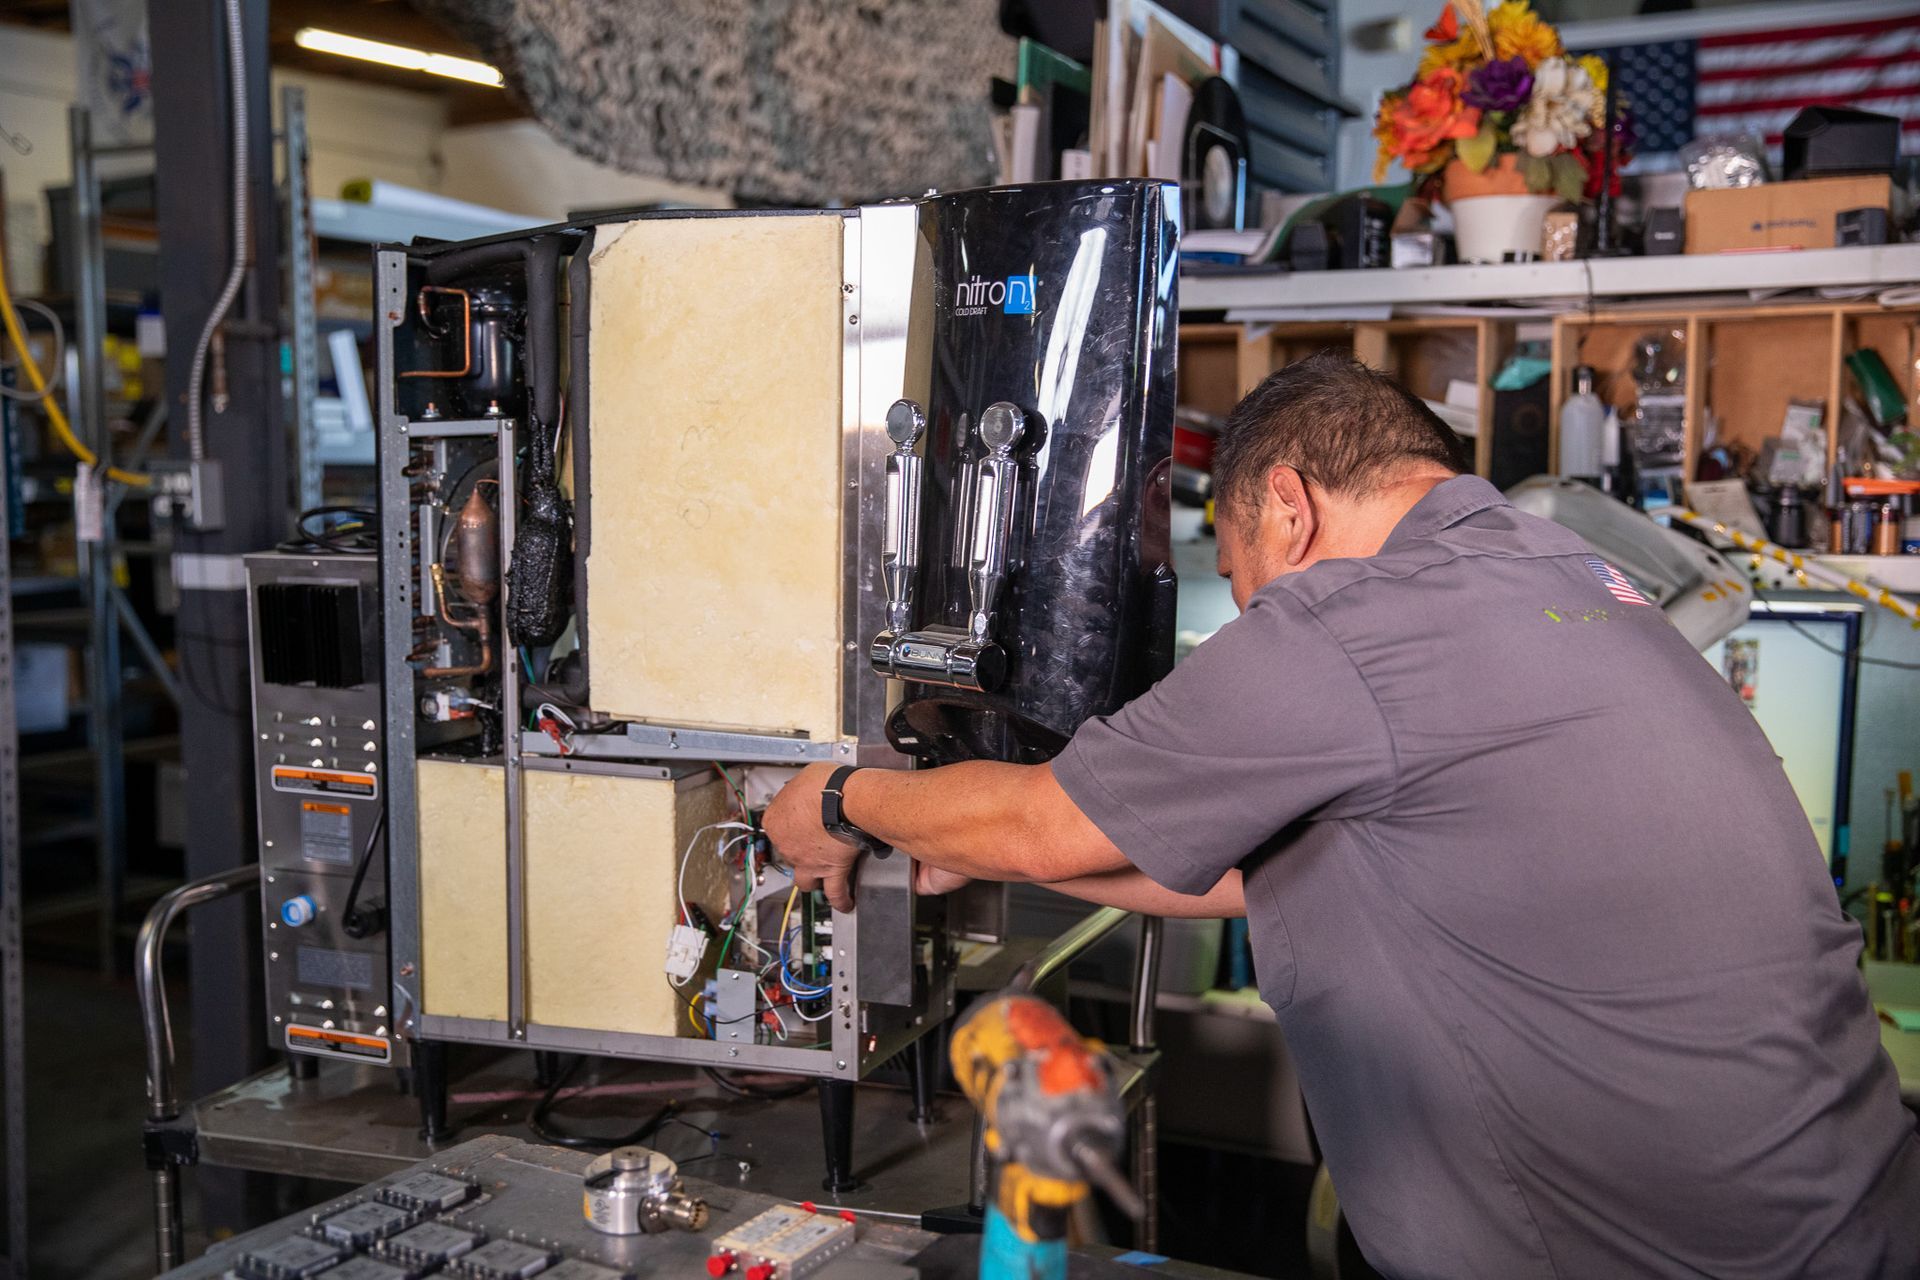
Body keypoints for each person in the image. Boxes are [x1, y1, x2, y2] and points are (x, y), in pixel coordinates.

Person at [763, 350, 1920, 1278]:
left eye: (1243, 573)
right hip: (1856, 1215)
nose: (1252, 607)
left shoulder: (1352, 618)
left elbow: (1048, 817)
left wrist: (841, 800)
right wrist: (956, 837)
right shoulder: (1569, 570)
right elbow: (1268, 862)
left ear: (1286, 503)